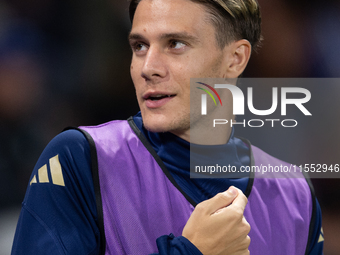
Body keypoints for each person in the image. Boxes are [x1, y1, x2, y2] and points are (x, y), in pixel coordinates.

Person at [11, 0, 324, 254]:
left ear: (235, 59)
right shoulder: (80, 159)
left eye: (175, 44)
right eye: (140, 46)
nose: (148, 68)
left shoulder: (296, 195)